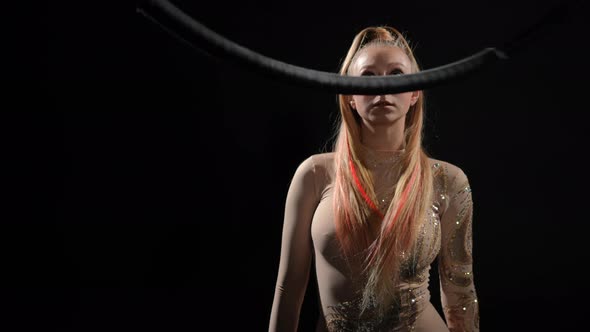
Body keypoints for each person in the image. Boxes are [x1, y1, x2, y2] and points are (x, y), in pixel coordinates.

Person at [268, 26, 479, 332]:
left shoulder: (448, 180)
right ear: (351, 97)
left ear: (415, 92)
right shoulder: (314, 175)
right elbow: (288, 290)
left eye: (397, 75)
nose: (383, 88)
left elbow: (460, 291)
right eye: (367, 78)